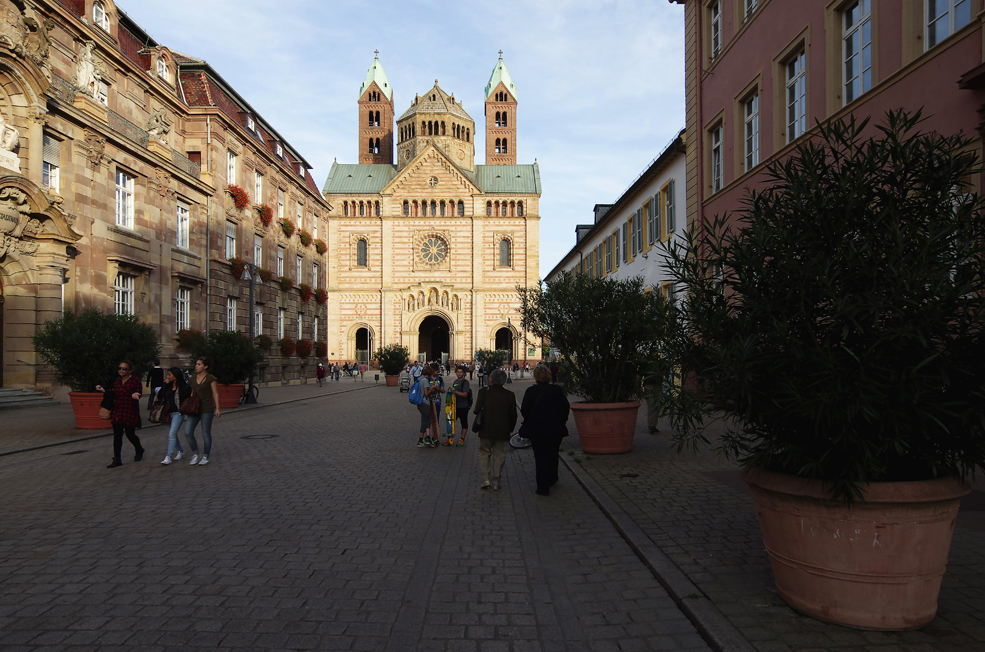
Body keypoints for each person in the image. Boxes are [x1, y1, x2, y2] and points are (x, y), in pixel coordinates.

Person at [519, 364, 571, 496]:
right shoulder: (557, 390)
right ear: (549, 376)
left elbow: (524, 410)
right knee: (553, 454)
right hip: (555, 429)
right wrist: (562, 420)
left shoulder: (531, 391)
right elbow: (566, 407)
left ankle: (543, 486)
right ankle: (553, 477)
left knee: (540, 457)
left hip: (537, 430)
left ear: (535, 377)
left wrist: (531, 419)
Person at [473, 369, 517, 491]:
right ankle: (496, 481)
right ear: (503, 381)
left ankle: (486, 479)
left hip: (485, 429)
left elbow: (476, 410)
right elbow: (513, 415)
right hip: (502, 431)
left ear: (491, 379)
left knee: (484, 453)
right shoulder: (510, 395)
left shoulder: (483, 392)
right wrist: (510, 428)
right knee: (499, 455)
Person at [96, 360, 144, 468]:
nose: (121, 370)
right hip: (118, 410)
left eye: (124, 368)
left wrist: (136, 394)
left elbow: (138, 391)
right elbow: (114, 394)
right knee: (117, 436)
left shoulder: (134, 380)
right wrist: (103, 391)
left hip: (130, 410)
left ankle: (139, 448)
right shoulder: (117, 382)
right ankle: (117, 459)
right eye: (120, 368)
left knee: (130, 434)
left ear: (130, 370)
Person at [184, 357, 221, 466]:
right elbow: (192, 393)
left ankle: (205, 456)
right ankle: (196, 453)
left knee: (205, 433)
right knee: (188, 432)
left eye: (199, 364)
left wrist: (218, 408)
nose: (196, 366)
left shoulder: (211, 379)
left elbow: (215, 394)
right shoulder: (193, 378)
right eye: (196, 364)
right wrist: (189, 405)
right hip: (194, 408)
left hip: (206, 408)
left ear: (205, 366)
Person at [157, 367, 189, 465]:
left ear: (175, 376)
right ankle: (180, 450)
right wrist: (164, 384)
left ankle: (168, 456)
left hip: (178, 413)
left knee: (172, 433)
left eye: (169, 375)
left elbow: (187, 399)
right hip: (167, 413)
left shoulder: (184, 387)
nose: (168, 377)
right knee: (172, 434)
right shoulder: (168, 386)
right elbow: (160, 396)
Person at [415, 365, 438, 448]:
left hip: (420, 403)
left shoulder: (419, 379)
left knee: (426, 420)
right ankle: (423, 439)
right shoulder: (424, 381)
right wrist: (432, 388)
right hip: (425, 403)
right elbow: (426, 393)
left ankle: (425, 438)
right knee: (426, 421)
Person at [449, 366, 472, 447]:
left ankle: (462, 439)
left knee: (464, 423)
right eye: (458, 372)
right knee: (452, 422)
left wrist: (455, 391)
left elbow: (465, 394)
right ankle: (450, 438)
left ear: (464, 373)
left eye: (461, 372)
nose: (459, 373)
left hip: (463, 406)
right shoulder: (455, 381)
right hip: (455, 406)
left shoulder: (465, 382)